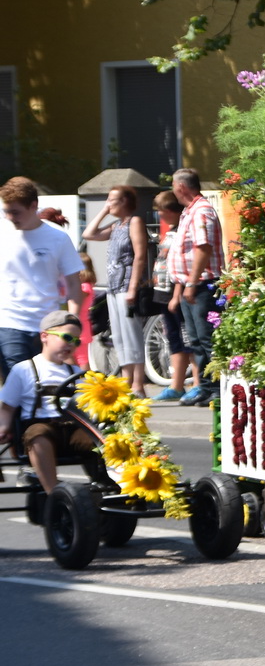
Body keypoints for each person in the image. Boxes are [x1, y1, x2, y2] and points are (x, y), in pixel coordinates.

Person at [0, 310, 97, 493]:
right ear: (45, 336)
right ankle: (53, 491)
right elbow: (7, 406)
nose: (71, 344)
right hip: (41, 426)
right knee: (38, 434)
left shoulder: (76, 371)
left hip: (72, 428)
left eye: (76, 341)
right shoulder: (24, 369)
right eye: (67, 337)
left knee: (99, 440)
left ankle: (108, 487)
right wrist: (4, 428)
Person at [0, 177, 90, 375]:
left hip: (49, 324)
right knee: (18, 383)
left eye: (16, 212)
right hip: (9, 323)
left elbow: (74, 284)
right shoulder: (2, 233)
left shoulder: (57, 237)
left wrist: (71, 322)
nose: (10, 217)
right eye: (6, 211)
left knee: (46, 386)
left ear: (34, 206)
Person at [82, 185, 152, 394]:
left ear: (124, 202)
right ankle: (125, 380)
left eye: (112, 200)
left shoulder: (134, 222)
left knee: (132, 335)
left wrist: (133, 287)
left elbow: (140, 255)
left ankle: (138, 384)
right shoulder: (115, 226)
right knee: (120, 337)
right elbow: (89, 234)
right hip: (113, 287)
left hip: (126, 286)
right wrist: (104, 211)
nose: (108, 203)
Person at [167, 168, 224, 405]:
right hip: (191, 284)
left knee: (207, 338)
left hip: (202, 284)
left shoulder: (201, 211)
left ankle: (216, 389)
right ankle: (205, 386)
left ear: (181, 187)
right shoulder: (190, 212)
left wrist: (191, 282)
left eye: (173, 185)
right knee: (196, 340)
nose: (172, 190)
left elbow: (203, 248)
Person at [152, 191, 197, 402]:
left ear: (169, 211)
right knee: (173, 339)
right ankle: (177, 385)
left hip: (174, 293)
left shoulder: (182, 230)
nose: (159, 216)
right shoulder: (171, 230)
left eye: (160, 212)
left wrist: (176, 294)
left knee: (188, 338)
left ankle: (198, 383)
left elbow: (181, 265)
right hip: (162, 292)